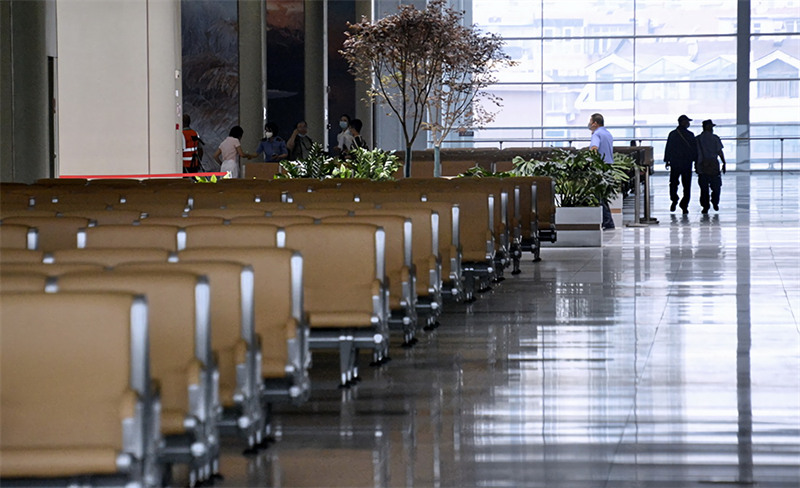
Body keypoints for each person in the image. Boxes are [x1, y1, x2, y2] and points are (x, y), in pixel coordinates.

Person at [664, 114, 697, 214]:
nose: (688, 124)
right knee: (687, 185)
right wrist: (695, 160)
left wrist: (667, 160)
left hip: (675, 162)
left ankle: (674, 199)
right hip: (687, 163)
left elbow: (668, 147)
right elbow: (694, 149)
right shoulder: (690, 135)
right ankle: (684, 205)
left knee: (673, 183)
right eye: (687, 122)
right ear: (682, 122)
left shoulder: (672, 134)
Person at [588, 113, 615, 230]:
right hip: (608, 166)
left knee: (598, 196)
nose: (589, 124)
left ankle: (607, 221)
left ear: (595, 123)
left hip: (599, 167)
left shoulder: (597, 134)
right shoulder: (607, 133)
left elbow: (594, 148)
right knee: (603, 196)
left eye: (590, 121)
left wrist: (590, 162)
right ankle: (608, 221)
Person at [695, 119, 727, 214]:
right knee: (716, 186)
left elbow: (694, 154)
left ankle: (705, 206)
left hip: (701, 165)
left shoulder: (697, 139)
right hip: (713, 165)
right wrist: (724, 163)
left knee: (704, 188)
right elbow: (720, 152)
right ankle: (715, 201)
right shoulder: (715, 138)